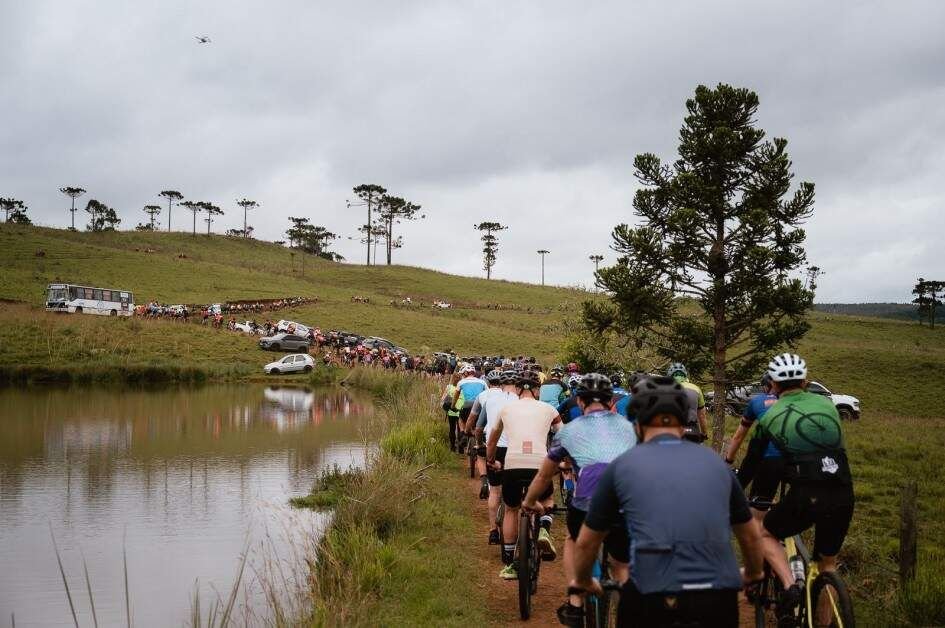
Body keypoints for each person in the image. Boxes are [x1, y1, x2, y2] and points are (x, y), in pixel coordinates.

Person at [570, 376, 765, 627]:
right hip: (717, 595)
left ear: (638, 424)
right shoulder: (716, 464)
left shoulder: (622, 467)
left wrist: (584, 580)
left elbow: (587, 542)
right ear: (684, 420)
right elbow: (749, 535)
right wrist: (753, 572)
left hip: (650, 592)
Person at [521, 373, 637, 625]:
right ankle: (630, 614)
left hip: (588, 502)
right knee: (621, 565)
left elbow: (543, 476)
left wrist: (530, 501)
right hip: (624, 501)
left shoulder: (570, 430)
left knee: (573, 540)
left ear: (581, 402)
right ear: (611, 402)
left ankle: (575, 602)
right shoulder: (631, 428)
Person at [751, 353, 855, 622]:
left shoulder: (768, 417)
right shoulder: (828, 405)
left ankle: (789, 586)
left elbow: (755, 464)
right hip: (843, 490)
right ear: (806, 381)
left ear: (773, 385)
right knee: (827, 566)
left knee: (764, 533)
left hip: (808, 493)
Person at [486, 370, 562, 579]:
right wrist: (561, 461)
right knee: (546, 497)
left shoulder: (506, 409)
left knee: (511, 509)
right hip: (540, 463)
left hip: (513, 463)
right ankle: (545, 527)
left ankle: (510, 562)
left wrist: (491, 461)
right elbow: (562, 436)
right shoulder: (549, 409)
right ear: (537, 390)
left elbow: (491, 441)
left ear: (518, 390)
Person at [724, 373, 784, 520]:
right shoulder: (794, 402)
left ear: (767, 386)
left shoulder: (758, 401)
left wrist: (729, 460)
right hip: (796, 458)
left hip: (767, 458)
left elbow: (738, 436)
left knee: (757, 507)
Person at [474, 369, 520, 545]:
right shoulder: (522, 401)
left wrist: (479, 444)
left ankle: (493, 530)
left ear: (500, 385)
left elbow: (479, 427)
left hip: (496, 448)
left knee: (495, 490)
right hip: (517, 449)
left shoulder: (491, 400)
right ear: (517, 385)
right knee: (516, 496)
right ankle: (519, 531)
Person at [467, 369, 504, 500]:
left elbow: (473, 418)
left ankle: (484, 482)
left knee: (482, 455)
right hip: (505, 435)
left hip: (486, 432)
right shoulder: (508, 395)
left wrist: (467, 431)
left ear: (488, 381)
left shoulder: (482, 395)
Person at [666, 362, 708, 442]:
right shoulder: (696, 389)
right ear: (685, 375)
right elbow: (702, 416)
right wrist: (704, 434)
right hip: (692, 431)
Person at [439, 372, 463, 452]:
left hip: (451, 410)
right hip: (461, 410)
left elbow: (443, 398)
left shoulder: (449, 387)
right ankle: (461, 449)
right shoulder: (462, 387)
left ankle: (452, 447)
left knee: (452, 429)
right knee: (460, 429)